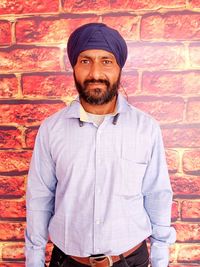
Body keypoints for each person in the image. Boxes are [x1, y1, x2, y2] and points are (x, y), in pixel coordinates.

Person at [25, 23, 176, 267]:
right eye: (85, 61)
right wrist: (34, 260)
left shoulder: (146, 128)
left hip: (131, 261)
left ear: (119, 68)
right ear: (74, 67)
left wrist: (160, 261)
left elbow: (157, 195)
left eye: (106, 61)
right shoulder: (51, 130)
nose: (96, 72)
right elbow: (40, 199)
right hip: (68, 262)